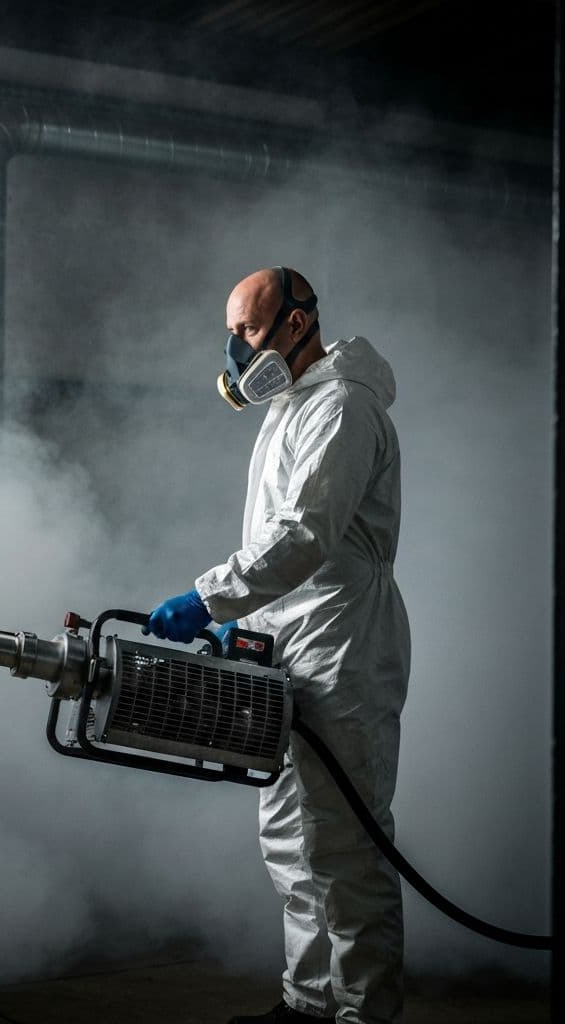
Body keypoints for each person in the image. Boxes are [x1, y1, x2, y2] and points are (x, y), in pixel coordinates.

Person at [144, 267, 410, 1024]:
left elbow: (304, 536)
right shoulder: (292, 405)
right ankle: (308, 1004)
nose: (237, 350)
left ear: (297, 323)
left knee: (345, 848)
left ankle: (362, 1015)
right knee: (291, 838)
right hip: (289, 638)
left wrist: (209, 599)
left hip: (340, 644)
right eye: (232, 333)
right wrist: (249, 622)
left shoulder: (342, 407)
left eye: (248, 331)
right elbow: (280, 543)